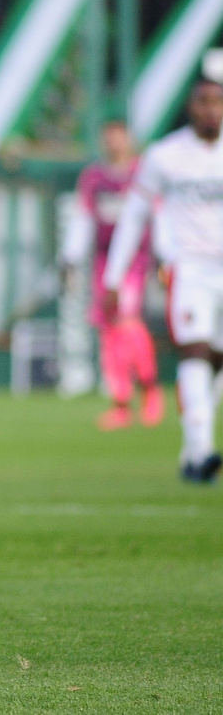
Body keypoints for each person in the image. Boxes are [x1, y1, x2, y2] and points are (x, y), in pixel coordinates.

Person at [104, 77, 223, 483]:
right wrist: (114, 277)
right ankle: (202, 449)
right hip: (189, 269)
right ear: (191, 107)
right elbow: (134, 215)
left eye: (218, 102)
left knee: (215, 361)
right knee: (195, 352)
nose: (211, 109)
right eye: (204, 101)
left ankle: (191, 454)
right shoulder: (165, 155)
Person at [62, 119, 163, 430]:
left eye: (119, 137)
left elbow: (160, 215)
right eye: (109, 138)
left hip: (134, 261)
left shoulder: (144, 174)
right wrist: (70, 258)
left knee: (127, 321)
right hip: (103, 261)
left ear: (129, 139)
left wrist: (164, 256)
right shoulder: (94, 177)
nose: (114, 143)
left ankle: (149, 387)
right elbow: (83, 218)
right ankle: (121, 402)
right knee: (108, 329)